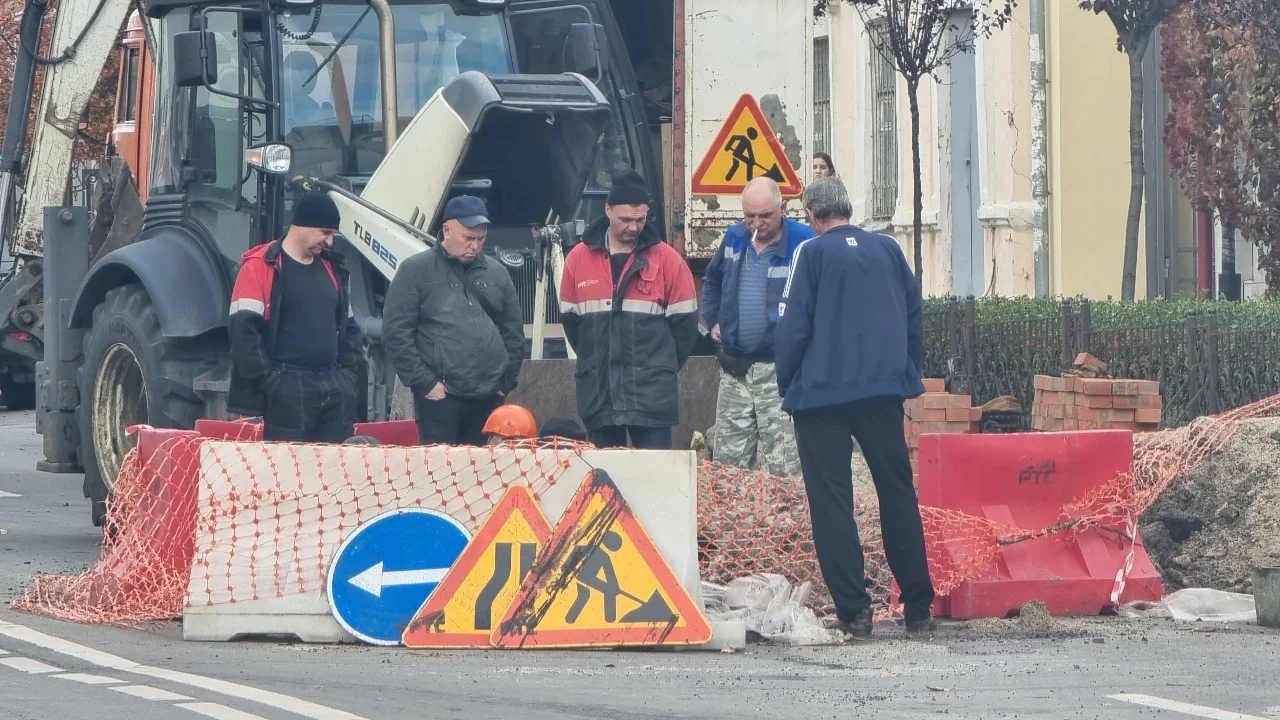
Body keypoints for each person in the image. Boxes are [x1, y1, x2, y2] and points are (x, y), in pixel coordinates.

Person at [774, 176, 936, 637]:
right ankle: (919, 607)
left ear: (812, 215)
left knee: (832, 503)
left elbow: (791, 327)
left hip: (821, 397)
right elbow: (912, 313)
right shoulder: (888, 250)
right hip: (882, 393)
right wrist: (904, 371)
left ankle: (855, 610)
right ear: (849, 208)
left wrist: (791, 386)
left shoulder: (811, 253)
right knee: (898, 495)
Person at [559, 169, 699, 449]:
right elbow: (574, 327)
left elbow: (685, 331)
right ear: (607, 210)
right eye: (625, 219)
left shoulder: (668, 261)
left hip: (651, 400)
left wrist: (658, 369)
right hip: (600, 396)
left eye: (641, 219)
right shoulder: (577, 259)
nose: (634, 227)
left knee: (653, 481)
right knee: (604, 486)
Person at [382, 196, 526, 446]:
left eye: (481, 239)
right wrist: (426, 385)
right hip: (440, 398)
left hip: (490, 396)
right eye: (468, 238)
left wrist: (505, 383)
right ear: (446, 231)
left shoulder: (497, 273)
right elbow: (396, 333)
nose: (475, 246)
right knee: (441, 477)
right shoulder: (415, 270)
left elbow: (513, 331)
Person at [227, 190, 364, 442]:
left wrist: (346, 379)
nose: (330, 242)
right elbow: (244, 336)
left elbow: (350, 329)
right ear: (302, 225)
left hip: (332, 391)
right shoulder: (260, 267)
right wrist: (273, 384)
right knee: (288, 476)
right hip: (286, 394)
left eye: (332, 234)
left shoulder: (333, 269)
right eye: (325, 232)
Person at [700, 177, 813, 477]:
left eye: (765, 216)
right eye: (750, 216)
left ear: (783, 208)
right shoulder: (735, 237)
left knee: (787, 466)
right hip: (735, 367)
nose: (757, 223)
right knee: (727, 466)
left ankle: (790, 523)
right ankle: (734, 523)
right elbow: (711, 279)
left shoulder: (803, 242)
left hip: (779, 371)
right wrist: (712, 320)